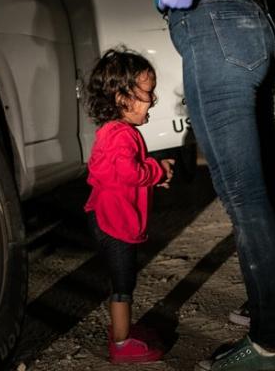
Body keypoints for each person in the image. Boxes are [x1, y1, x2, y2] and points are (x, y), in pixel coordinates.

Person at [120, 0, 275, 369]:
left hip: (210, 23)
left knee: (244, 194)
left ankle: (270, 344)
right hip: (242, 18)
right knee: (266, 183)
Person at [83, 47, 175, 364]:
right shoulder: (121, 135)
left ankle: (122, 331)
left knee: (120, 281)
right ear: (123, 98)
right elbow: (128, 172)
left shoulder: (112, 132)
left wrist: (152, 172)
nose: (153, 100)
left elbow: (114, 172)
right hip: (115, 224)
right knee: (123, 285)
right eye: (147, 93)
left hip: (105, 218)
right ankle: (121, 344)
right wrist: (157, 170)